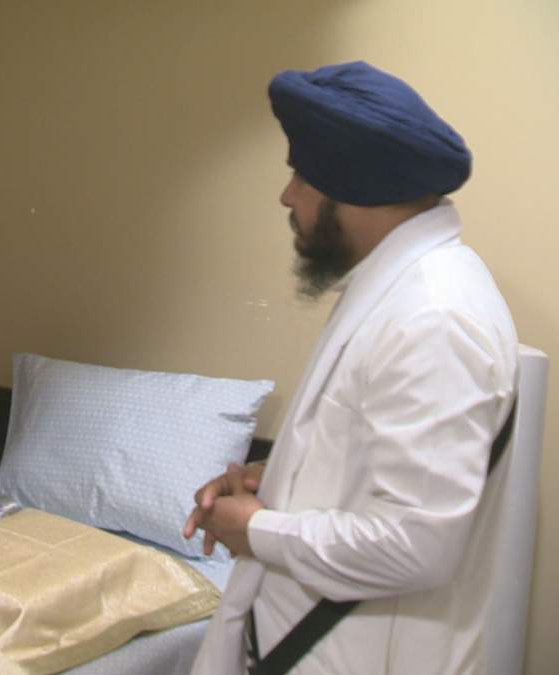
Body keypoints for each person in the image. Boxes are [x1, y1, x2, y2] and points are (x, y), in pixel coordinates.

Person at [183, 61, 518, 674]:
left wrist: (255, 529)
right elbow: (374, 458)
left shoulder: (434, 317)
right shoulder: (395, 291)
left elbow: (416, 546)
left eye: (302, 176)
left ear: (355, 188)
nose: (287, 195)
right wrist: (273, 478)